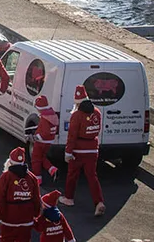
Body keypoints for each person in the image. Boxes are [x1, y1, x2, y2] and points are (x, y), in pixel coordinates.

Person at [61, 85, 105, 216]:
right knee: (92, 177)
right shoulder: (97, 112)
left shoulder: (77, 115)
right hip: (92, 149)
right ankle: (99, 202)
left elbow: (72, 136)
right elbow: (97, 131)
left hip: (78, 150)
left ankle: (68, 198)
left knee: (72, 175)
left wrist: (68, 152)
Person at [0, 147, 41, 241]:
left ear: (10, 162)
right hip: (26, 219)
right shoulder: (32, 178)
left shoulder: (5, 177)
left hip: (9, 219)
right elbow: (36, 199)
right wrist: (36, 214)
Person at [31, 95, 60, 184]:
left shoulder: (44, 118)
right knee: (42, 157)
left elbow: (44, 131)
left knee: (35, 159)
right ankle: (52, 169)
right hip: (49, 141)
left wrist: (35, 137)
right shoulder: (52, 115)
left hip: (41, 141)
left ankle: (37, 179)